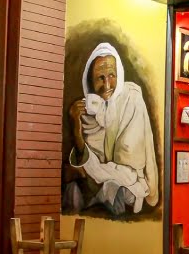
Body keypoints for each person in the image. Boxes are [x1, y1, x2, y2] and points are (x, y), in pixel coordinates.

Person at [64, 42, 159, 216]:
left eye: (112, 75)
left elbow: (128, 170)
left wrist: (88, 171)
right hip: (97, 186)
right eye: (100, 78)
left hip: (129, 185)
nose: (107, 84)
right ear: (90, 81)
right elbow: (87, 167)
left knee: (114, 190)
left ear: (119, 75)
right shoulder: (87, 110)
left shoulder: (132, 101)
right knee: (72, 192)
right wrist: (77, 130)